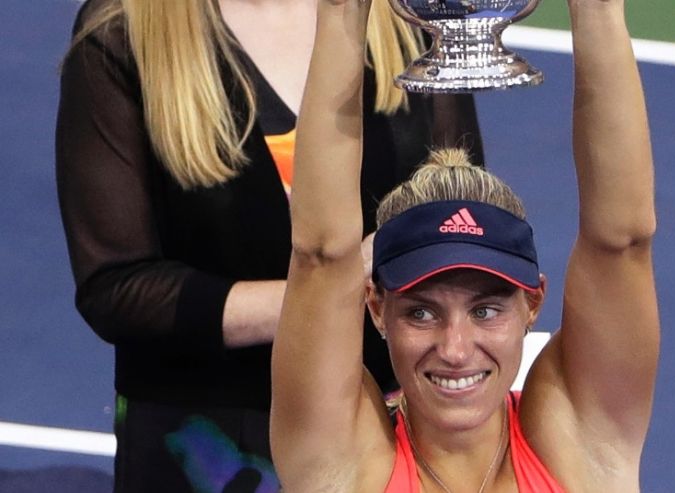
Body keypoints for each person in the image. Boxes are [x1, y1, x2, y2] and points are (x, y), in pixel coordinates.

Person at [55, 0, 483, 490]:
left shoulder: (410, 14)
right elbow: (118, 288)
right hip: (210, 446)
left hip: (390, 430)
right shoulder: (124, 31)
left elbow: (461, 212)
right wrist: (332, 288)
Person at [270, 0, 659, 491]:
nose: (455, 350)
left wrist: (597, 9)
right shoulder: (344, 463)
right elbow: (320, 256)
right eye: (422, 313)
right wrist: (341, 11)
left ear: (533, 302)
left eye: (485, 310)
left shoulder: (578, 443)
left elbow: (622, 242)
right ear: (375, 306)